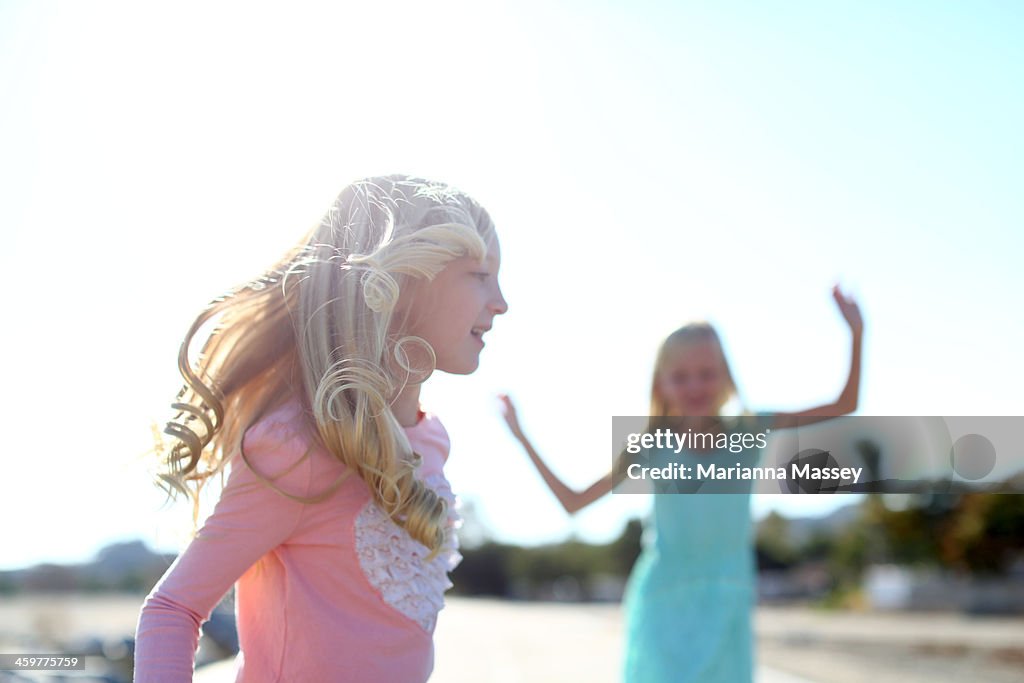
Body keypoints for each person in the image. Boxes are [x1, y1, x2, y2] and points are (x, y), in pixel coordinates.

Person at [134, 174, 509, 682]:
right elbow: (172, 610)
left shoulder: (433, 439)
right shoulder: (295, 448)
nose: (501, 301)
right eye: (480, 274)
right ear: (403, 283)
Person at [499, 285, 863, 682]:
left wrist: (857, 335)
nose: (694, 386)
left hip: (729, 600)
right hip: (663, 603)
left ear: (725, 376)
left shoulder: (752, 428)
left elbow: (845, 405)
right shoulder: (650, 444)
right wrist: (521, 436)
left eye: (706, 374)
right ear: (661, 384)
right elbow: (572, 502)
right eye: (680, 376)